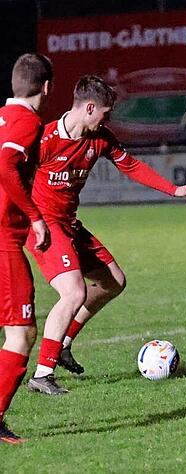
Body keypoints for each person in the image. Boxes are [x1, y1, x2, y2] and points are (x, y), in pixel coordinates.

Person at [25, 75, 186, 395]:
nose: (108, 120)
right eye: (105, 114)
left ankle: (63, 344)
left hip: (69, 224)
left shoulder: (101, 138)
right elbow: (12, 176)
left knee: (113, 281)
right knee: (73, 293)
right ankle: (42, 373)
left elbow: (131, 166)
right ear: (89, 108)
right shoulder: (45, 139)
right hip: (44, 225)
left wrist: (173, 189)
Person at [0, 53, 53, 444]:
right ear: (46, 87)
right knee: (22, 333)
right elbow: (5, 164)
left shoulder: (3, 117)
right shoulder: (28, 121)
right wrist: (35, 216)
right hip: (3, 240)